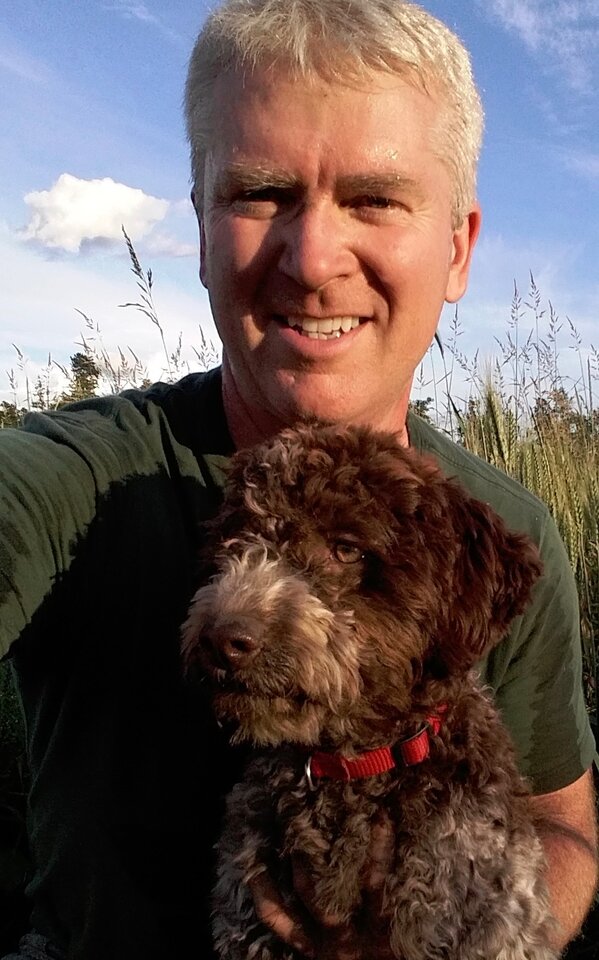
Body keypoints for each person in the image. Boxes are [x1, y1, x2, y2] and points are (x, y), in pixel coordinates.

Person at [1, 1, 597, 958]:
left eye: (374, 197)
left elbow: (561, 826)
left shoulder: (498, 527)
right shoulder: (79, 479)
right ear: (198, 230)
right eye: (261, 192)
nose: (314, 259)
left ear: (456, 248)